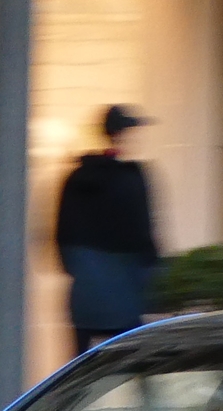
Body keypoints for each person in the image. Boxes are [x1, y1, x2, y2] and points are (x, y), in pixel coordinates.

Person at [55, 105, 162, 352]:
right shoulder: (133, 179)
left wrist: (84, 269)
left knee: (78, 374)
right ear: (123, 135)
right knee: (137, 367)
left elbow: (61, 240)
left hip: (84, 295)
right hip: (124, 296)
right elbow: (145, 240)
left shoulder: (76, 178)